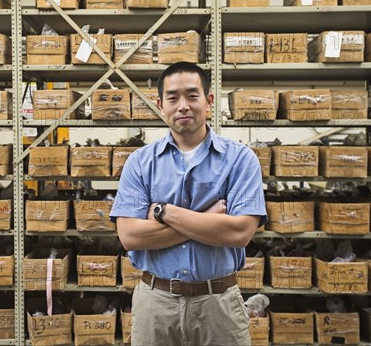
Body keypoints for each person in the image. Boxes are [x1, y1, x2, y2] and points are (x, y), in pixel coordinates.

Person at [110, 61, 267, 346]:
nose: (183, 106)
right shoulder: (140, 163)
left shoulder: (240, 160)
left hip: (218, 305)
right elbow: (130, 236)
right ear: (161, 105)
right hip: (155, 304)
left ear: (208, 102)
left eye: (192, 96)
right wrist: (207, 218)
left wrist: (163, 211)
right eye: (173, 98)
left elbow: (239, 233)